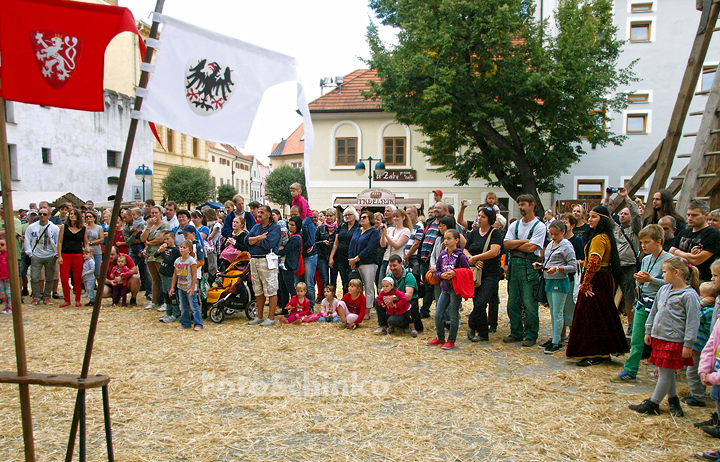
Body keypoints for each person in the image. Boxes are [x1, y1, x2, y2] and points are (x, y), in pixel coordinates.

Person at [629, 256, 700, 417]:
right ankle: (674, 402)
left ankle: (653, 403)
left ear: (676, 272)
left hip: (674, 339)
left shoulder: (689, 295)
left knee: (666, 373)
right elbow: (654, 311)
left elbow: (693, 322)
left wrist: (688, 344)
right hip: (660, 337)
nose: (662, 276)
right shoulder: (663, 290)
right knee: (665, 372)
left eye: (665, 272)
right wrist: (649, 330)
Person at [565, 206, 629, 366]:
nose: (590, 220)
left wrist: (586, 283)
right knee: (602, 315)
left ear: (602, 219)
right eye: (590, 217)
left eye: (594, 217)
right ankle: (602, 352)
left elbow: (594, 261)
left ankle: (594, 351)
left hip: (596, 279)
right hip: (601, 278)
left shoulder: (600, 238)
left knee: (591, 316)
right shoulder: (602, 236)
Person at [612, 225, 671, 382]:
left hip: (660, 304)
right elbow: (643, 282)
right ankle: (631, 369)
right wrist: (639, 280)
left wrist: (651, 279)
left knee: (660, 338)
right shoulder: (645, 259)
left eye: (647, 242)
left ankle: (665, 370)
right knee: (637, 337)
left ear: (659, 241)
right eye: (642, 242)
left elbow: (671, 283)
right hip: (643, 301)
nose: (643, 246)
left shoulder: (669, 260)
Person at [503, 194, 547, 347]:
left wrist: (515, 244)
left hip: (529, 266)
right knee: (512, 303)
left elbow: (532, 247)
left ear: (532, 205)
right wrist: (522, 241)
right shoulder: (514, 225)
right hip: (514, 265)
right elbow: (506, 244)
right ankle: (516, 332)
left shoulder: (540, 226)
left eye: (523, 204)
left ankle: (531, 334)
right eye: (519, 204)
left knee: (529, 304)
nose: (521, 207)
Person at [534, 220, 577, 354]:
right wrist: (541, 266)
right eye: (551, 234)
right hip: (549, 279)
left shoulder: (566, 245)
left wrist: (558, 268)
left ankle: (557, 340)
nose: (553, 236)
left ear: (563, 232)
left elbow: (573, 266)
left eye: (556, 234)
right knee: (553, 311)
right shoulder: (551, 244)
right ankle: (555, 336)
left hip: (559, 280)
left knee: (558, 311)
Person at [602, 187, 642, 329]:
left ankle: (631, 324)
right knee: (609, 296)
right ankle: (610, 324)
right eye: (621, 214)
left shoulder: (635, 229)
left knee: (630, 297)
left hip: (629, 267)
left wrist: (627, 198)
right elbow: (605, 215)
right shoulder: (616, 228)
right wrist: (607, 197)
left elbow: (637, 215)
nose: (623, 216)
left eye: (626, 214)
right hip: (615, 266)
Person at [426, 229, 470, 350]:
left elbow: (467, 272)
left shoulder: (461, 256)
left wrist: (455, 273)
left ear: (456, 240)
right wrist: (441, 276)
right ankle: (440, 337)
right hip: (444, 288)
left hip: (455, 289)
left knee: (453, 314)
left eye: (449, 238)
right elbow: (438, 270)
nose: (446, 241)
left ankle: (451, 339)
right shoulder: (442, 255)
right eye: (445, 238)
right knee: (438, 314)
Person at [465, 207, 503, 341]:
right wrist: (471, 259)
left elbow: (494, 251)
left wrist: (477, 257)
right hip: (476, 273)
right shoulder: (474, 233)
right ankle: (482, 333)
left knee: (482, 302)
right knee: (477, 302)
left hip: (491, 274)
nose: (479, 218)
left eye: (483, 217)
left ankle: (472, 323)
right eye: (479, 216)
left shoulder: (495, 233)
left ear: (489, 220)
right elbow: (465, 249)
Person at [245, 205, 281, 326]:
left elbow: (268, 244)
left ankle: (271, 317)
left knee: (271, 289)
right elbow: (246, 241)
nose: (259, 214)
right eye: (258, 212)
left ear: (269, 214)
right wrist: (259, 237)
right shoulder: (256, 227)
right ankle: (259, 316)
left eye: (262, 212)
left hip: (267, 260)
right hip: (254, 260)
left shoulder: (275, 228)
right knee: (258, 289)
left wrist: (253, 240)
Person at [684, 280, 717, 407]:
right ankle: (697, 393)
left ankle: (698, 398)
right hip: (699, 347)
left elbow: (693, 316)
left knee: (692, 373)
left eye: (701, 295)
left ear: (710, 299)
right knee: (698, 372)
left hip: (699, 347)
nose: (699, 297)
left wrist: (701, 304)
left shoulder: (709, 311)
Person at [670, 199, 720, 283]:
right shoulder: (684, 233)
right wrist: (689, 255)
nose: (690, 218)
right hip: (682, 278)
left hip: (702, 280)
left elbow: (697, 260)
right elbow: (671, 252)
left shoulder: (714, 235)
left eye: (694, 215)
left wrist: (677, 252)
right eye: (688, 215)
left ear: (706, 215)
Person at [348, 211, 381, 321]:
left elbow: (370, 249)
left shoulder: (374, 232)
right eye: (361, 217)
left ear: (370, 219)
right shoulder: (357, 230)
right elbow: (352, 245)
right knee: (358, 287)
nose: (361, 219)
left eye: (364, 217)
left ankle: (367, 311)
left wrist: (356, 258)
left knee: (369, 287)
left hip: (369, 263)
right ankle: (358, 309)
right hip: (357, 263)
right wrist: (351, 260)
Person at [24, 208, 60, 305]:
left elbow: (58, 241)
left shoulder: (54, 228)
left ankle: (47, 296)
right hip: (36, 255)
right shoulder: (31, 227)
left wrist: (56, 254)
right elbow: (27, 240)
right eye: (40, 214)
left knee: (50, 277)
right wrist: (30, 253)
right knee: (34, 277)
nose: (42, 216)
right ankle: (36, 296)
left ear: (48, 216)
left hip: (50, 255)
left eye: (44, 214)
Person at [57, 208, 88, 307]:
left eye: (74, 214)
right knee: (64, 277)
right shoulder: (64, 227)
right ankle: (67, 300)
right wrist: (59, 256)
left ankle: (78, 299)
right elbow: (59, 242)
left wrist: (87, 254)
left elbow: (85, 243)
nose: (71, 216)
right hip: (65, 254)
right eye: (70, 214)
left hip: (78, 255)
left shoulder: (83, 228)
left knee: (77, 278)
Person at [141, 206, 170, 310]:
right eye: (152, 213)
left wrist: (148, 242)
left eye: (155, 213)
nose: (153, 215)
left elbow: (160, 239)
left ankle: (167, 302)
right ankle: (154, 301)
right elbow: (142, 238)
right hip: (149, 255)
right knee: (154, 279)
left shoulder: (165, 225)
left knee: (163, 278)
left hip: (159, 254)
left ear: (160, 213)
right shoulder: (149, 225)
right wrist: (148, 226)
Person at [170, 240, 203, 331]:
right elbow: (175, 274)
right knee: (183, 307)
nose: (182, 249)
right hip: (181, 287)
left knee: (194, 307)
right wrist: (172, 287)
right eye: (181, 247)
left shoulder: (191, 261)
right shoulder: (177, 261)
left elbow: (194, 275)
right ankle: (185, 323)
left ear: (189, 250)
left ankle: (198, 323)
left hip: (189, 288)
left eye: (184, 247)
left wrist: (193, 288)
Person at [418, 203, 444, 317]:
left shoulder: (446, 224)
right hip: (424, 261)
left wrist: (433, 263)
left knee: (439, 289)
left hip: (437, 263)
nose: (436, 210)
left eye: (439, 208)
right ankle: (425, 310)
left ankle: (441, 314)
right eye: (435, 208)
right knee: (427, 286)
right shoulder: (429, 223)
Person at [387, 254, 423, 334]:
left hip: (408, 306)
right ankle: (383, 325)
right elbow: (383, 291)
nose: (392, 268)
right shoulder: (389, 276)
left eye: (394, 265)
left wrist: (393, 297)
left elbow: (409, 296)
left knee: (392, 321)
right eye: (390, 266)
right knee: (378, 301)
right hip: (397, 305)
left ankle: (407, 325)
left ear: (401, 264)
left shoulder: (409, 276)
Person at [378, 209, 412, 289]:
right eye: (394, 217)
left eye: (397, 217)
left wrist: (386, 235)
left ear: (403, 218)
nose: (395, 219)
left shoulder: (406, 230)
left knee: (394, 286)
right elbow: (383, 245)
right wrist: (383, 233)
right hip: (386, 259)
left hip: (397, 260)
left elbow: (397, 245)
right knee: (382, 285)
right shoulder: (390, 229)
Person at [329, 206, 360, 294]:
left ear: (354, 215)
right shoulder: (342, 226)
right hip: (340, 257)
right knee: (343, 280)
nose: (347, 216)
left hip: (352, 258)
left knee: (352, 280)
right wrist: (331, 257)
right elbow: (336, 243)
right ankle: (345, 299)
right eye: (345, 215)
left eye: (349, 214)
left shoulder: (359, 226)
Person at [277, 216, 302, 312]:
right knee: (283, 288)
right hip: (285, 264)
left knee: (290, 288)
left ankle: (295, 309)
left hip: (290, 265)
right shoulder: (291, 236)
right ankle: (284, 309)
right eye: (289, 224)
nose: (290, 226)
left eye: (293, 225)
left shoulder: (296, 238)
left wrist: (275, 251)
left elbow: (286, 250)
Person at [155, 232, 181, 323]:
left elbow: (169, 260)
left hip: (171, 276)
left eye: (168, 239)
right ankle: (168, 312)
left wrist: (162, 252)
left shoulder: (175, 250)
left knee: (172, 295)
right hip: (164, 274)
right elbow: (155, 255)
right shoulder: (165, 248)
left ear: (173, 239)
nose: (166, 241)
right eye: (164, 239)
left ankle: (175, 313)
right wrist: (159, 251)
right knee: (166, 294)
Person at [84, 210, 104, 280]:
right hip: (86, 252)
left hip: (97, 251)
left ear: (94, 218)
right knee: (88, 270)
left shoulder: (99, 227)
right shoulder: (84, 227)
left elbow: (101, 239)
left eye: (90, 216)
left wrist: (91, 243)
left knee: (97, 271)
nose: (88, 218)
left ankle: (100, 288)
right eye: (87, 217)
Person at [0, 240, 10, 314]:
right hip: (1, 277)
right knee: (2, 293)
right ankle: (6, 306)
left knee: (8, 292)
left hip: (7, 277)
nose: (0, 246)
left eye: (2, 244)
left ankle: (10, 306)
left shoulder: (8, 255)